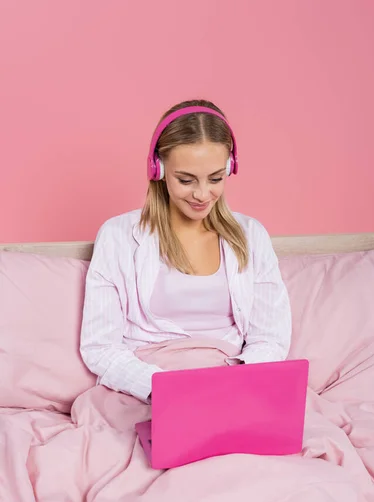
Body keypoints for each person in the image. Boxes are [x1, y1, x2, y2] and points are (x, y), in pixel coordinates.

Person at [80, 99, 292, 403]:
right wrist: (163, 390)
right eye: (186, 180)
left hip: (233, 385)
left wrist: (237, 384)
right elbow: (99, 347)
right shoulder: (117, 236)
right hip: (147, 388)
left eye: (216, 178)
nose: (203, 194)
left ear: (230, 168)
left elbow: (270, 337)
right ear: (158, 169)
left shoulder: (251, 235)